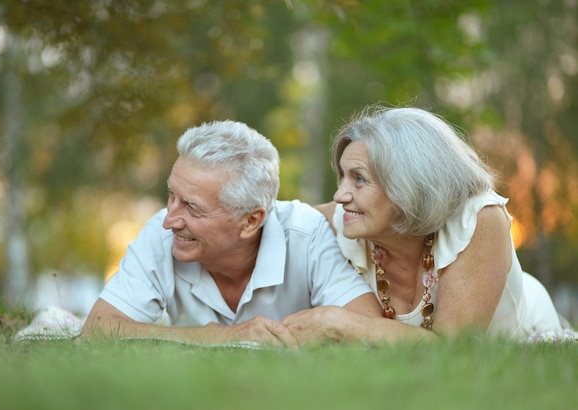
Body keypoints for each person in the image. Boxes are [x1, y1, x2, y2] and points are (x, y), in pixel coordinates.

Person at [282, 105, 576, 344]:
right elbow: (271, 219)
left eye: (359, 178)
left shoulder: (480, 219)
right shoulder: (347, 217)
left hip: (522, 333)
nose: (339, 195)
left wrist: (339, 323)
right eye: (342, 177)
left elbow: (451, 350)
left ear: (407, 186)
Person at [81, 120, 374, 348]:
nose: (170, 220)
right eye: (172, 195)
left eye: (192, 208)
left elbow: (370, 326)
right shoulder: (160, 233)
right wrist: (223, 337)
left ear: (250, 221)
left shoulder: (305, 232)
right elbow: (98, 327)